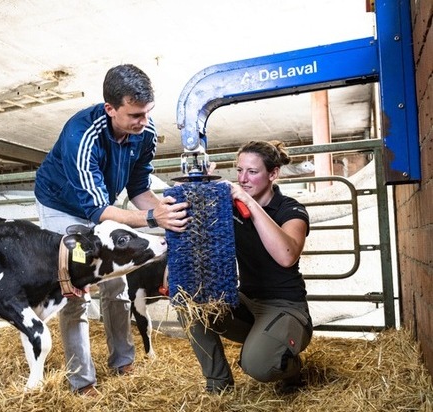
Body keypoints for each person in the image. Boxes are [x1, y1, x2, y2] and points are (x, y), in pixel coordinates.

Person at [34, 64, 190, 395]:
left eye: (147, 112)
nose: (143, 121)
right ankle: (82, 380)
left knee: (116, 282)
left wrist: (167, 211)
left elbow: (138, 190)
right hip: (62, 207)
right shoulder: (82, 135)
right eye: (134, 114)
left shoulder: (144, 133)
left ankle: (123, 360)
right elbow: (96, 212)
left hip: (103, 203)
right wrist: (152, 220)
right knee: (74, 291)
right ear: (110, 109)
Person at [181, 140, 313, 394]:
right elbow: (198, 229)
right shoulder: (231, 208)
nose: (243, 179)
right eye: (239, 170)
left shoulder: (290, 209)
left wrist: (250, 205)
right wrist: (200, 188)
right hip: (247, 303)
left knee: (258, 366)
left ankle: (290, 365)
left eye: (252, 172)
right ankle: (218, 384)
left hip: (286, 308)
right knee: (190, 303)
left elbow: (287, 256)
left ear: (273, 174)